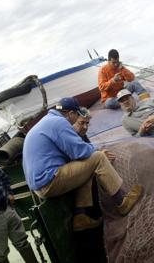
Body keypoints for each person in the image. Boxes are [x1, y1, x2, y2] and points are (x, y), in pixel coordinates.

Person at [22, 97, 143, 231]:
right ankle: (122, 202)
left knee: (86, 167)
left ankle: (80, 217)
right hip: (48, 181)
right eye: (77, 114)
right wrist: (98, 151)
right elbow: (79, 151)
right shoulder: (59, 122)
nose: (78, 117)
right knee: (98, 157)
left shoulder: (47, 121)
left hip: (40, 184)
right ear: (70, 113)